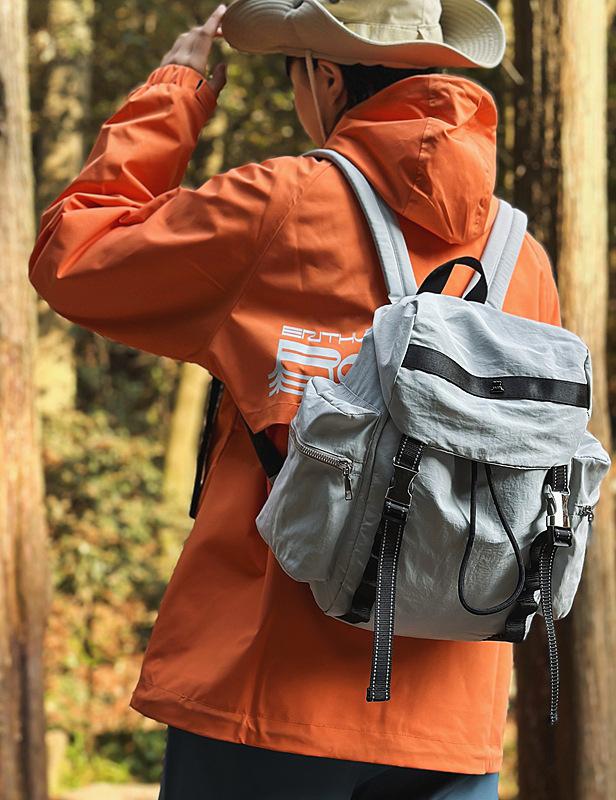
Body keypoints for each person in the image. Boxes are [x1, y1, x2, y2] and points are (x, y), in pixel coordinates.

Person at [30, 1, 561, 797]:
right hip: (451, 718)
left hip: (265, 692)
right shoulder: (524, 260)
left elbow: (74, 252)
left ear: (326, 75)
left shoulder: (282, 204)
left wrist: (176, 87)